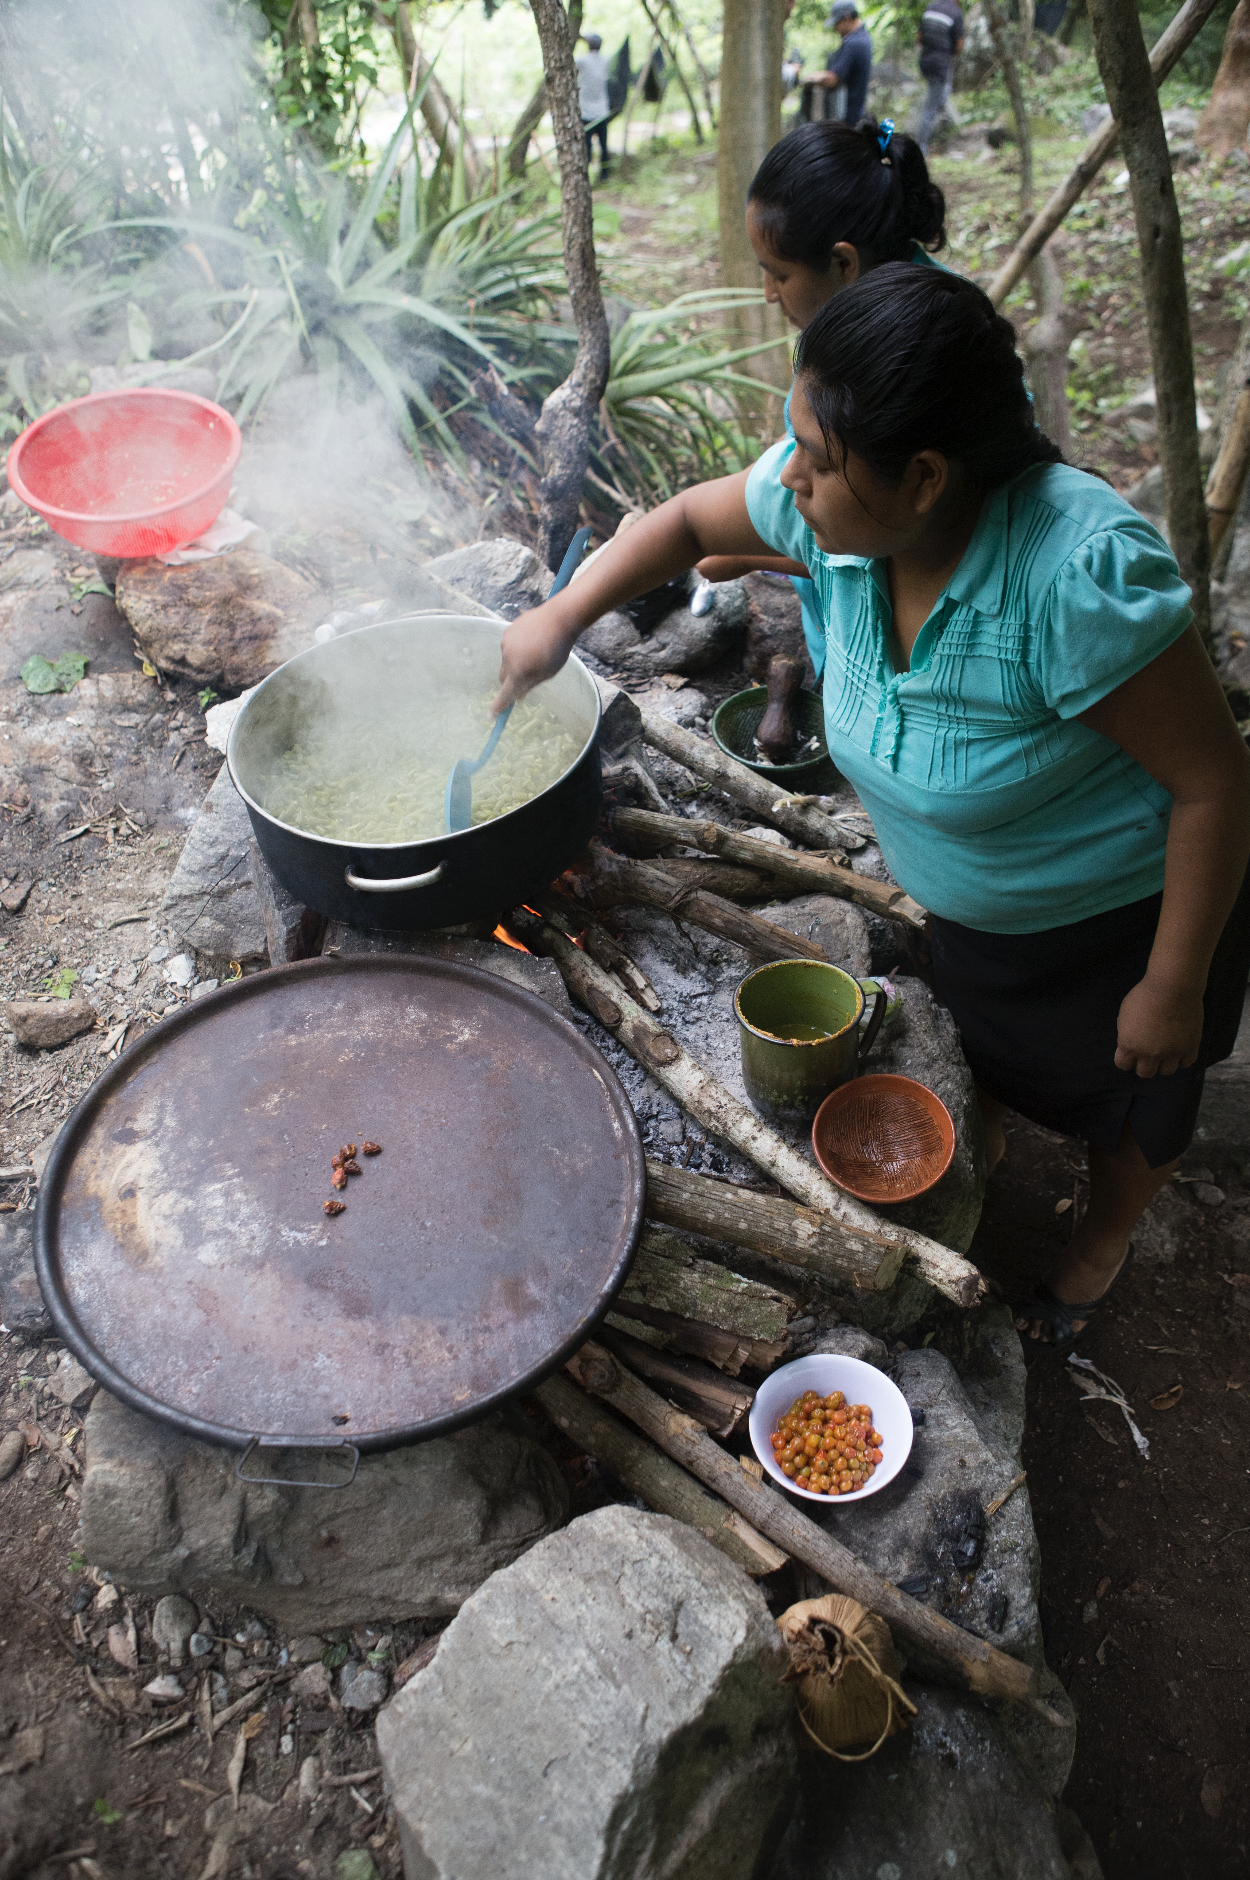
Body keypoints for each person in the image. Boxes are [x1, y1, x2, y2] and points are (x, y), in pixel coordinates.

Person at [493, 267, 1250, 1353]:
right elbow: (676, 523)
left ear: (927, 476)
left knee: (1134, 1097)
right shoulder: (833, 519)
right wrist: (560, 616)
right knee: (982, 1050)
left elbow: (1214, 781)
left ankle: (1101, 1239)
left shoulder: (1073, 576)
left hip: (1122, 919)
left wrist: (1172, 983)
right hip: (974, 910)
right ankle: (992, 1151)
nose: (785, 475)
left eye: (818, 458)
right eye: (791, 441)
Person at [709, 117, 948, 677]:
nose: (768, 294)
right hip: (846, 645)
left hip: (906, 673)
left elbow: (902, 554)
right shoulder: (850, 322)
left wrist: (745, 552)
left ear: (843, 263)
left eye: (778, 274)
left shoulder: (915, 371)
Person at [799, 2, 872, 128]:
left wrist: (811, 79)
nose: (835, 29)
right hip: (856, 116)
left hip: (848, 120)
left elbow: (833, 79)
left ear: (847, 18)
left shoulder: (854, 43)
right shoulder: (864, 38)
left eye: (837, 23)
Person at [915, 0, 964, 156]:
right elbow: (959, 45)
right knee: (930, 107)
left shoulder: (931, 7)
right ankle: (921, 147)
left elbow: (919, 37)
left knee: (942, 96)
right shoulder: (956, 13)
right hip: (941, 64)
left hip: (925, 61)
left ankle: (944, 135)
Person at [576, 31, 611, 176]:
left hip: (586, 112)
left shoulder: (581, 61)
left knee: (587, 145)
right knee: (603, 144)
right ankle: (605, 172)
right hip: (602, 110)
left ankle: (587, 172)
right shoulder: (606, 61)